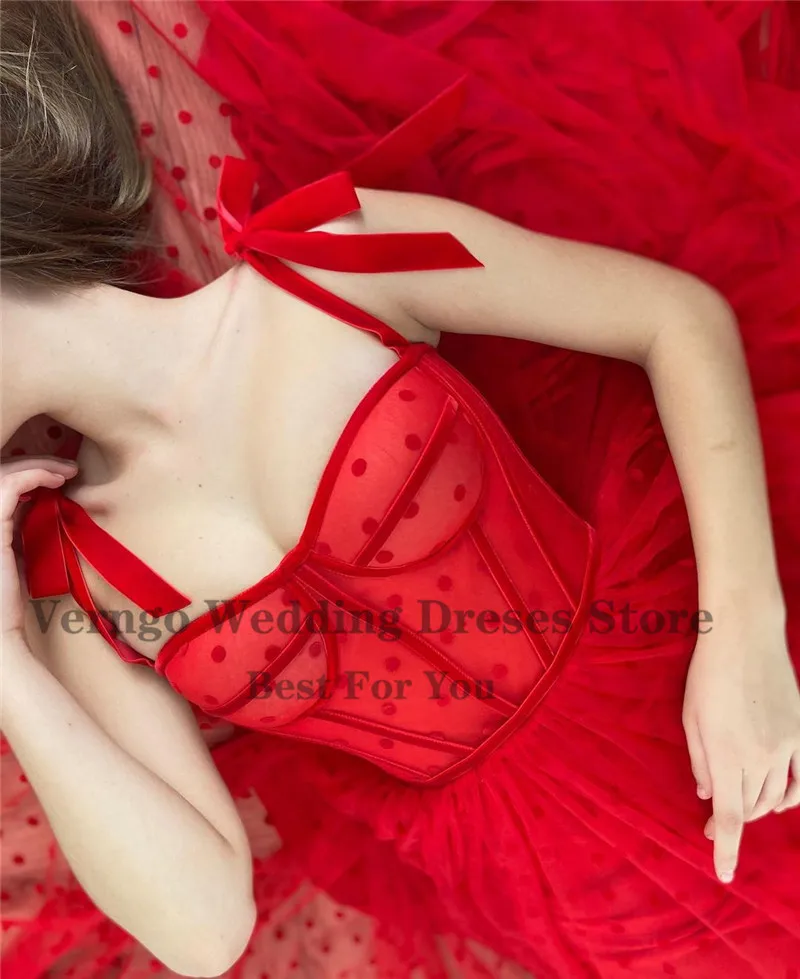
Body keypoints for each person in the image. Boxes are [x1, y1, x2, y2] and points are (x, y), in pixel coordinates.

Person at [2, 2, 799, 978]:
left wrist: (745, 637)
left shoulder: (334, 253)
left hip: (730, 669)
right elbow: (204, 935)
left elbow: (672, 319)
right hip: (561, 881)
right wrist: (5, 663)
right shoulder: (70, 578)